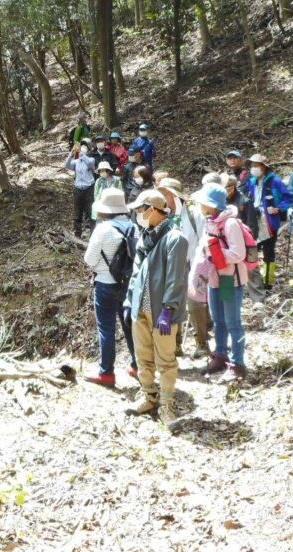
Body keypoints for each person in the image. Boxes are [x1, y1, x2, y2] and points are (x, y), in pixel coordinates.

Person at [123, 189, 189, 429]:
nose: (138, 214)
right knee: (143, 355)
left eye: (141, 210)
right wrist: (130, 300)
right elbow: (137, 272)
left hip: (162, 310)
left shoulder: (175, 238)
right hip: (141, 305)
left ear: (152, 209)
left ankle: (167, 405)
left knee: (166, 359)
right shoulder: (145, 236)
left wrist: (168, 309)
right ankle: (149, 396)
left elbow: (176, 278)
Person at [190, 185, 249, 381]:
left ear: (211, 205)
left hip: (227, 279)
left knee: (232, 322)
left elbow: (238, 254)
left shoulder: (230, 224)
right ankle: (220, 355)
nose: (199, 205)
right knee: (218, 320)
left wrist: (214, 253)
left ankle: (237, 363)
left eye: (202, 202)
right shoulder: (211, 222)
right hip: (214, 277)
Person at [83, 188, 139, 384]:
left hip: (105, 283)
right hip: (127, 284)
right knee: (129, 326)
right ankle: (137, 365)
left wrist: (102, 267)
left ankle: (106, 372)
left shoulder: (103, 229)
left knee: (106, 328)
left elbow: (89, 259)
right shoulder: (133, 227)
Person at [158, 178, 207, 358]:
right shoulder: (163, 215)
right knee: (171, 303)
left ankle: (201, 342)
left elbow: (204, 239)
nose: (162, 197)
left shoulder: (194, 214)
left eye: (164, 194)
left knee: (195, 305)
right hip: (171, 267)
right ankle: (175, 343)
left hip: (194, 264)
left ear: (173, 194)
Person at [242, 154, 293, 293]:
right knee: (252, 250)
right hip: (254, 221)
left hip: (270, 222)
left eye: (256, 166)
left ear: (264, 167)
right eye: (252, 166)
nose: (254, 168)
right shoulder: (251, 182)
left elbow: (289, 198)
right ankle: (253, 282)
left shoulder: (275, 181)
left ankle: (268, 283)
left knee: (269, 252)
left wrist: (278, 208)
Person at [65, 138, 97, 237]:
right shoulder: (76, 161)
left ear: (89, 150)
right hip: (78, 189)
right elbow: (66, 165)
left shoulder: (91, 159)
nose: (83, 148)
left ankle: (92, 233)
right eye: (82, 146)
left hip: (89, 188)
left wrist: (81, 153)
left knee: (90, 212)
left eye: (85, 147)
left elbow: (89, 163)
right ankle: (77, 233)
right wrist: (71, 153)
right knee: (77, 212)